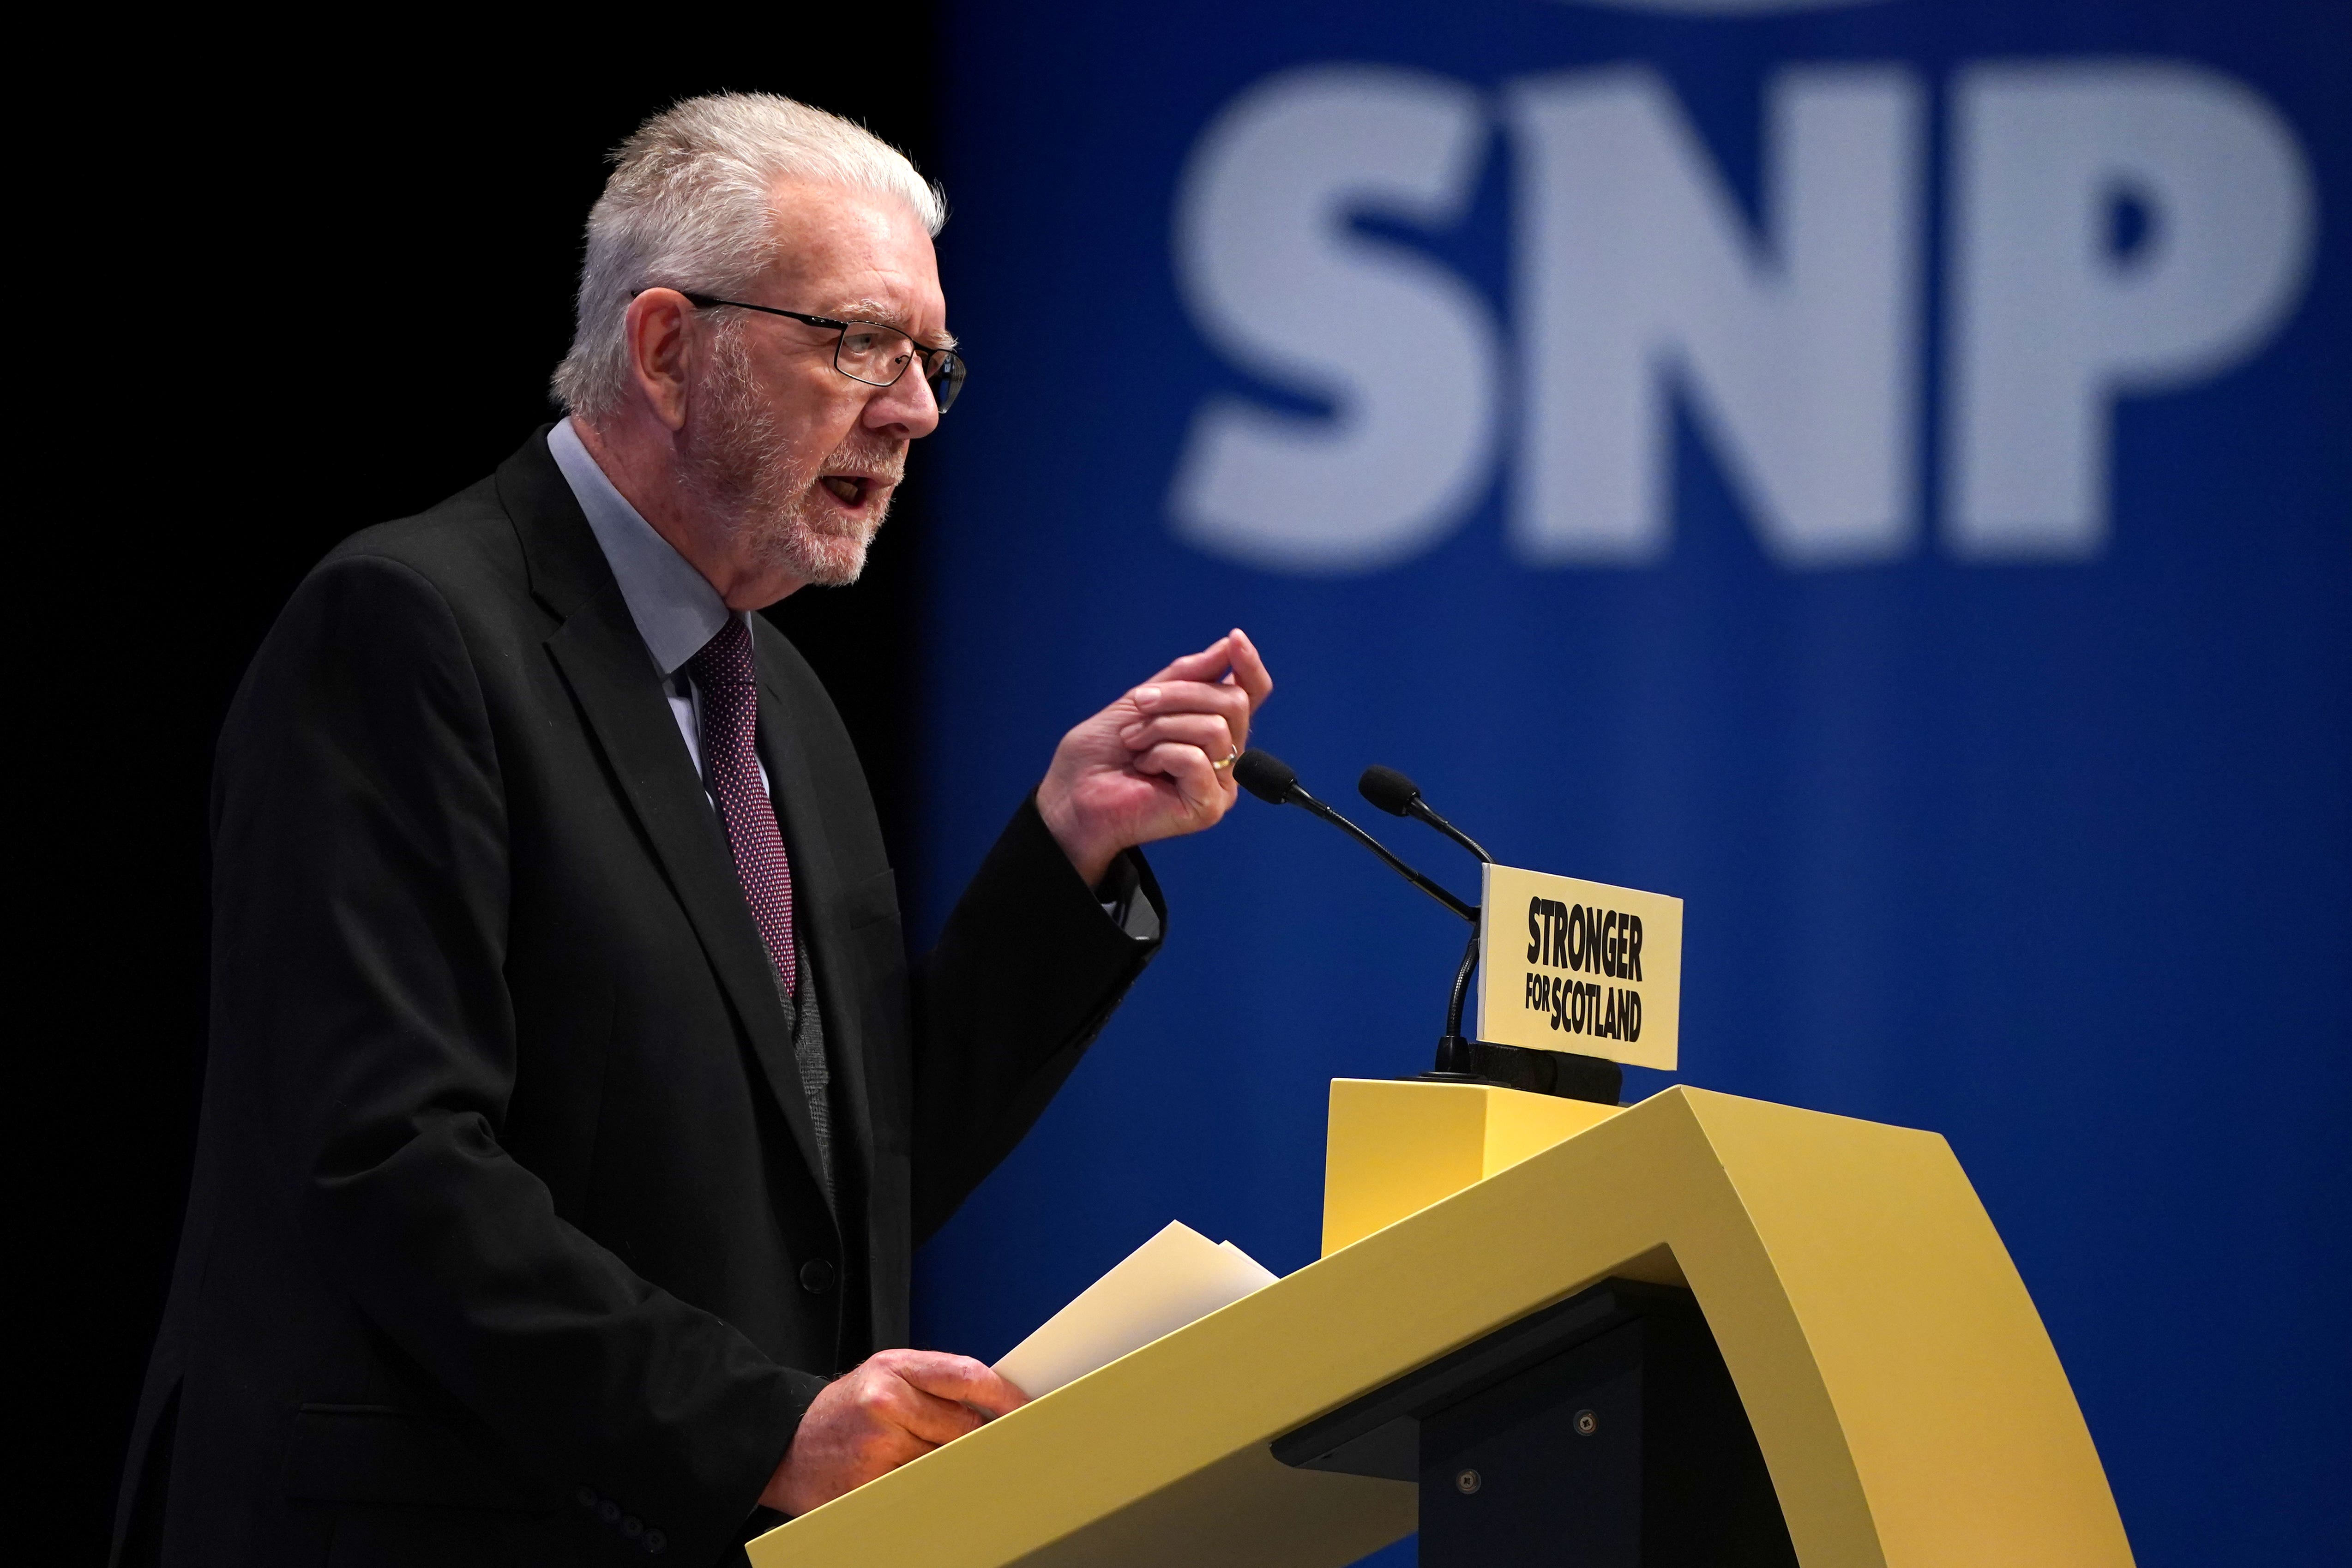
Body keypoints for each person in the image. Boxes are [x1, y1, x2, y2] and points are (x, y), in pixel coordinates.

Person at [113, 92, 1273, 1567]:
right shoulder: (409, 633)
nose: (914, 411)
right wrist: (759, 1430)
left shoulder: (776, 696)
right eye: (858, 343)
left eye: (931, 361)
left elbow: (844, 1174)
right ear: (669, 348)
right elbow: (386, 1161)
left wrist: (1068, 854)